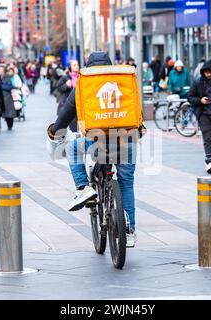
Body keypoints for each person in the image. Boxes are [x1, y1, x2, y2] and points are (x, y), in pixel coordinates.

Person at [47, 52, 140, 248]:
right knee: (126, 184)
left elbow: (66, 113)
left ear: (88, 66)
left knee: (73, 147)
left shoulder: (85, 84)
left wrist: (55, 131)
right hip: (127, 138)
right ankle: (130, 231)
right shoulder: (124, 81)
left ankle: (83, 188)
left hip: (98, 139)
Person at [188, 60, 211, 174]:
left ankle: (209, 159)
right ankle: (210, 161)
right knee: (207, 137)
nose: (209, 74)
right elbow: (190, 97)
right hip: (203, 114)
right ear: (203, 72)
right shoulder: (198, 82)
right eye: (207, 72)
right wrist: (200, 100)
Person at [55, 60, 79, 132]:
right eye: (74, 65)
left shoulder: (81, 77)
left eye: (77, 65)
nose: (77, 66)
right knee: (73, 126)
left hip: (79, 104)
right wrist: (66, 85)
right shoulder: (66, 77)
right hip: (69, 104)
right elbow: (58, 88)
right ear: (70, 67)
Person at [0, 65, 16, 130]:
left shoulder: (7, 77)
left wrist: (0, 86)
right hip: (0, 97)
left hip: (7, 97)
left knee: (9, 113)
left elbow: (10, 86)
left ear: (3, 71)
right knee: (0, 113)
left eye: (0, 70)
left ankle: (10, 125)